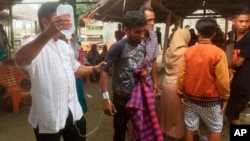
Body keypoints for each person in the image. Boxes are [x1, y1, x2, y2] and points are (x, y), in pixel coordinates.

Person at [14, 2, 105, 141]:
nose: (64, 25)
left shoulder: (64, 45)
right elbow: (20, 59)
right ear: (45, 22)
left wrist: (94, 68)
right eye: (59, 20)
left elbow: (76, 68)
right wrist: (46, 35)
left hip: (73, 111)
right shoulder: (32, 43)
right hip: (49, 116)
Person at [176, 18, 230, 141]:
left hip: (189, 98)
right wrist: (225, 97)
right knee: (216, 127)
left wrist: (180, 94)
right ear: (214, 34)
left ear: (198, 33)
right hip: (210, 100)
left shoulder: (188, 52)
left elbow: (181, 75)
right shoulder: (219, 53)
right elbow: (223, 80)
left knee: (190, 126)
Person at [100, 11, 148, 141]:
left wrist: (144, 72)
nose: (141, 35)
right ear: (126, 30)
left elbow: (142, 66)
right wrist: (106, 99)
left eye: (143, 31)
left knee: (139, 130)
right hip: (121, 98)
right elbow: (104, 71)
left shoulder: (142, 46)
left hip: (138, 96)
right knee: (120, 131)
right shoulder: (118, 47)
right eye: (137, 31)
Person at [158, 29, 190, 141]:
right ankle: (177, 135)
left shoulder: (168, 51)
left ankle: (166, 133)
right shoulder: (187, 52)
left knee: (167, 111)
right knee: (179, 114)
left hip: (166, 83)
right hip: (179, 84)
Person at [225, 7, 250, 125]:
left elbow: (239, 62)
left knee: (232, 113)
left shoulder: (249, 38)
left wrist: (224, 64)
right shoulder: (235, 37)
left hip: (245, 83)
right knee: (231, 113)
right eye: (241, 21)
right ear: (233, 21)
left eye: (247, 21)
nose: (244, 24)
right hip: (237, 81)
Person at [139, 5, 160, 95]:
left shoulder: (154, 36)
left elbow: (153, 61)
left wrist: (155, 82)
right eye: (149, 20)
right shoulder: (132, 38)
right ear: (141, 20)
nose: (152, 23)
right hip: (134, 85)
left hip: (148, 83)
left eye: (153, 19)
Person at [71, 34, 88, 113]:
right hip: (75, 74)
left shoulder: (76, 48)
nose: (71, 38)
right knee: (77, 92)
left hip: (75, 74)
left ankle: (80, 108)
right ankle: (80, 108)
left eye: (72, 36)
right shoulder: (77, 48)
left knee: (77, 92)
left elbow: (81, 60)